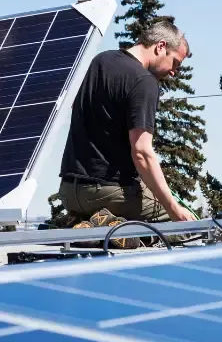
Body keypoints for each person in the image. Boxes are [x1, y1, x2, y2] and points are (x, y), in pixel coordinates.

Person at [58, 21, 197, 225]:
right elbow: (141, 153)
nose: (174, 72)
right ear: (161, 46)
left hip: (69, 192)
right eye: (175, 63)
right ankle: (114, 224)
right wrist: (173, 208)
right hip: (106, 194)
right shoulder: (144, 81)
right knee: (186, 225)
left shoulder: (101, 61)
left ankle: (87, 224)